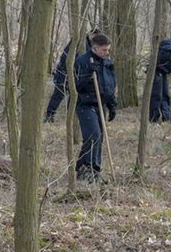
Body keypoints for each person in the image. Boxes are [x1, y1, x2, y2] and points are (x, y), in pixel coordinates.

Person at [72, 33, 118, 180]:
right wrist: (88, 75)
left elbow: (110, 85)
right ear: (95, 48)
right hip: (85, 104)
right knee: (93, 136)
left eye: (108, 50)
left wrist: (112, 105)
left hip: (101, 104)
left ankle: (95, 170)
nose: (107, 52)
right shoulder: (82, 61)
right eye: (104, 50)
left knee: (100, 137)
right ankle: (84, 169)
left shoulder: (107, 62)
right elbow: (74, 86)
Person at [44, 30, 103, 123]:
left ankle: (70, 117)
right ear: (91, 34)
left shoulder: (92, 45)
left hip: (77, 74)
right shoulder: (79, 41)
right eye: (95, 37)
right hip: (65, 72)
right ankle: (49, 115)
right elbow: (66, 56)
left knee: (74, 95)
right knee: (58, 94)